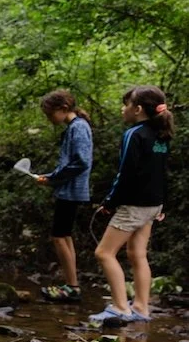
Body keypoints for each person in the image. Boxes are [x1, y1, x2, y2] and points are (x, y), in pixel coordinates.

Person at [90, 86, 172, 324]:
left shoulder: (134, 134)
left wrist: (109, 202)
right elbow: (162, 172)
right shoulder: (161, 133)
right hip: (153, 205)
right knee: (138, 254)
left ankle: (120, 308)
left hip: (134, 205)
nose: (122, 109)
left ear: (137, 110)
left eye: (126, 105)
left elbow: (126, 174)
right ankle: (141, 308)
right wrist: (162, 204)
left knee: (104, 253)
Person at [36, 90, 93, 303]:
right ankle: (72, 284)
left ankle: (72, 287)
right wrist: (50, 177)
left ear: (63, 109)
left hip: (72, 190)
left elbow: (81, 162)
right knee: (64, 236)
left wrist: (53, 179)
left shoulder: (78, 127)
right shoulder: (74, 127)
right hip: (68, 189)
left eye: (50, 114)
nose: (49, 119)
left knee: (59, 237)